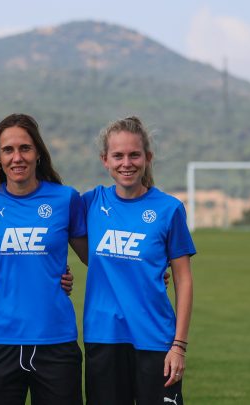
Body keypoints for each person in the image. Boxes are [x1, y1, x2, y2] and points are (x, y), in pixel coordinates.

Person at [0, 113, 88, 405]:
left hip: (56, 340)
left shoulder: (66, 199)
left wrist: (151, 271)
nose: (17, 157)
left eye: (25, 148)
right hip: (0, 341)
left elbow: (95, 257)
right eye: (8, 150)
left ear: (38, 153)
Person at [82, 116, 195, 405]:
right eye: (117, 155)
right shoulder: (91, 203)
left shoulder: (169, 209)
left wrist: (179, 346)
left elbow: (183, 279)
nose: (126, 163)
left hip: (156, 338)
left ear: (148, 157)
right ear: (104, 160)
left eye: (134, 154)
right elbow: (55, 233)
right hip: (104, 337)